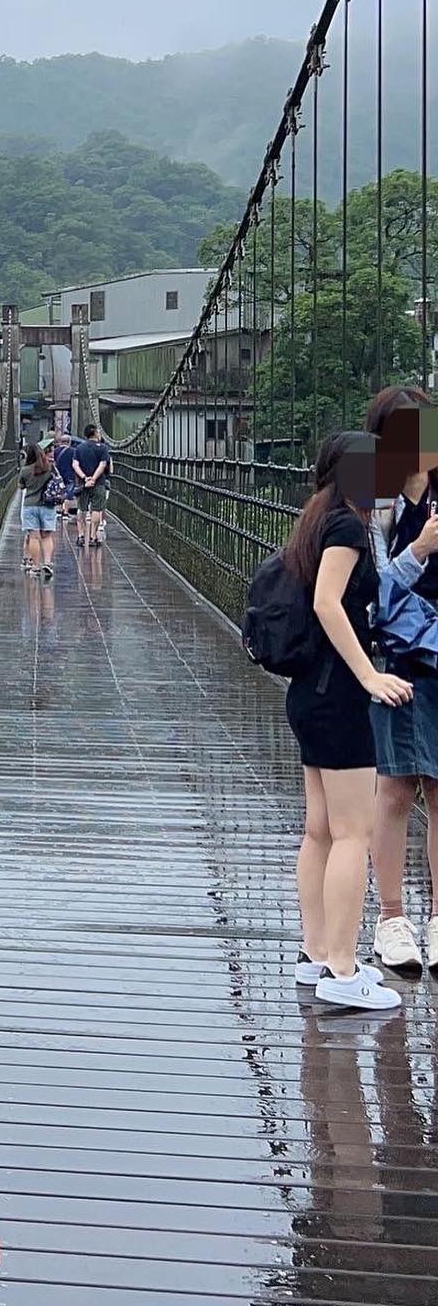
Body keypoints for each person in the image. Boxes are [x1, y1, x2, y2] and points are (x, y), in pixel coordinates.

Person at [281, 431, 408, 1011]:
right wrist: (369, 677)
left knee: (321, 830)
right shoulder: (348, 528)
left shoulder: (317, 519)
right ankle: (342, 968)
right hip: (339, 698)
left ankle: (316, 955)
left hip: (310, 692)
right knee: (354, 833)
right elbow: (327, 603)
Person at [364, 385, 438, 975]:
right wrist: (417, 550)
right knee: (395, 789)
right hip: (397, 662)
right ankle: (391, 918)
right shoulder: (370, 496)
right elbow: (364, 589)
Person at [18, 441, 57, 578]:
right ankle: (47, 563)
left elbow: (21, 486)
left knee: (34, 537)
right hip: (47, 505)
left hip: (30, 505)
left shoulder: (25, 470)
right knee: (47, 536)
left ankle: (35, 566)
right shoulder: (49, 468)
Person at [72, 423, 111, 547]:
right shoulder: (103, 448)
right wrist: (93, 479)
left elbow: (75, 465)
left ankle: (81, 536)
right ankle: (93, 537)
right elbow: (102, 465)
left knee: (81, 509)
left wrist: (85, 478)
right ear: (95, 433)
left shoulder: (79, 448)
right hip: (98, 483)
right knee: (96, 509)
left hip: (82, 484)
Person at [50, 428, 81, 531]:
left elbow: (53, 463)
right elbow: (75, 464)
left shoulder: (55, 451)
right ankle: (65, 512)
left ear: (60, 441)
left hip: (58, 476)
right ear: (69, 442)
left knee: (59, 493)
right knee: (68, 494)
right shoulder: (73, 451)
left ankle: (59, 511)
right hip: (70, 475)